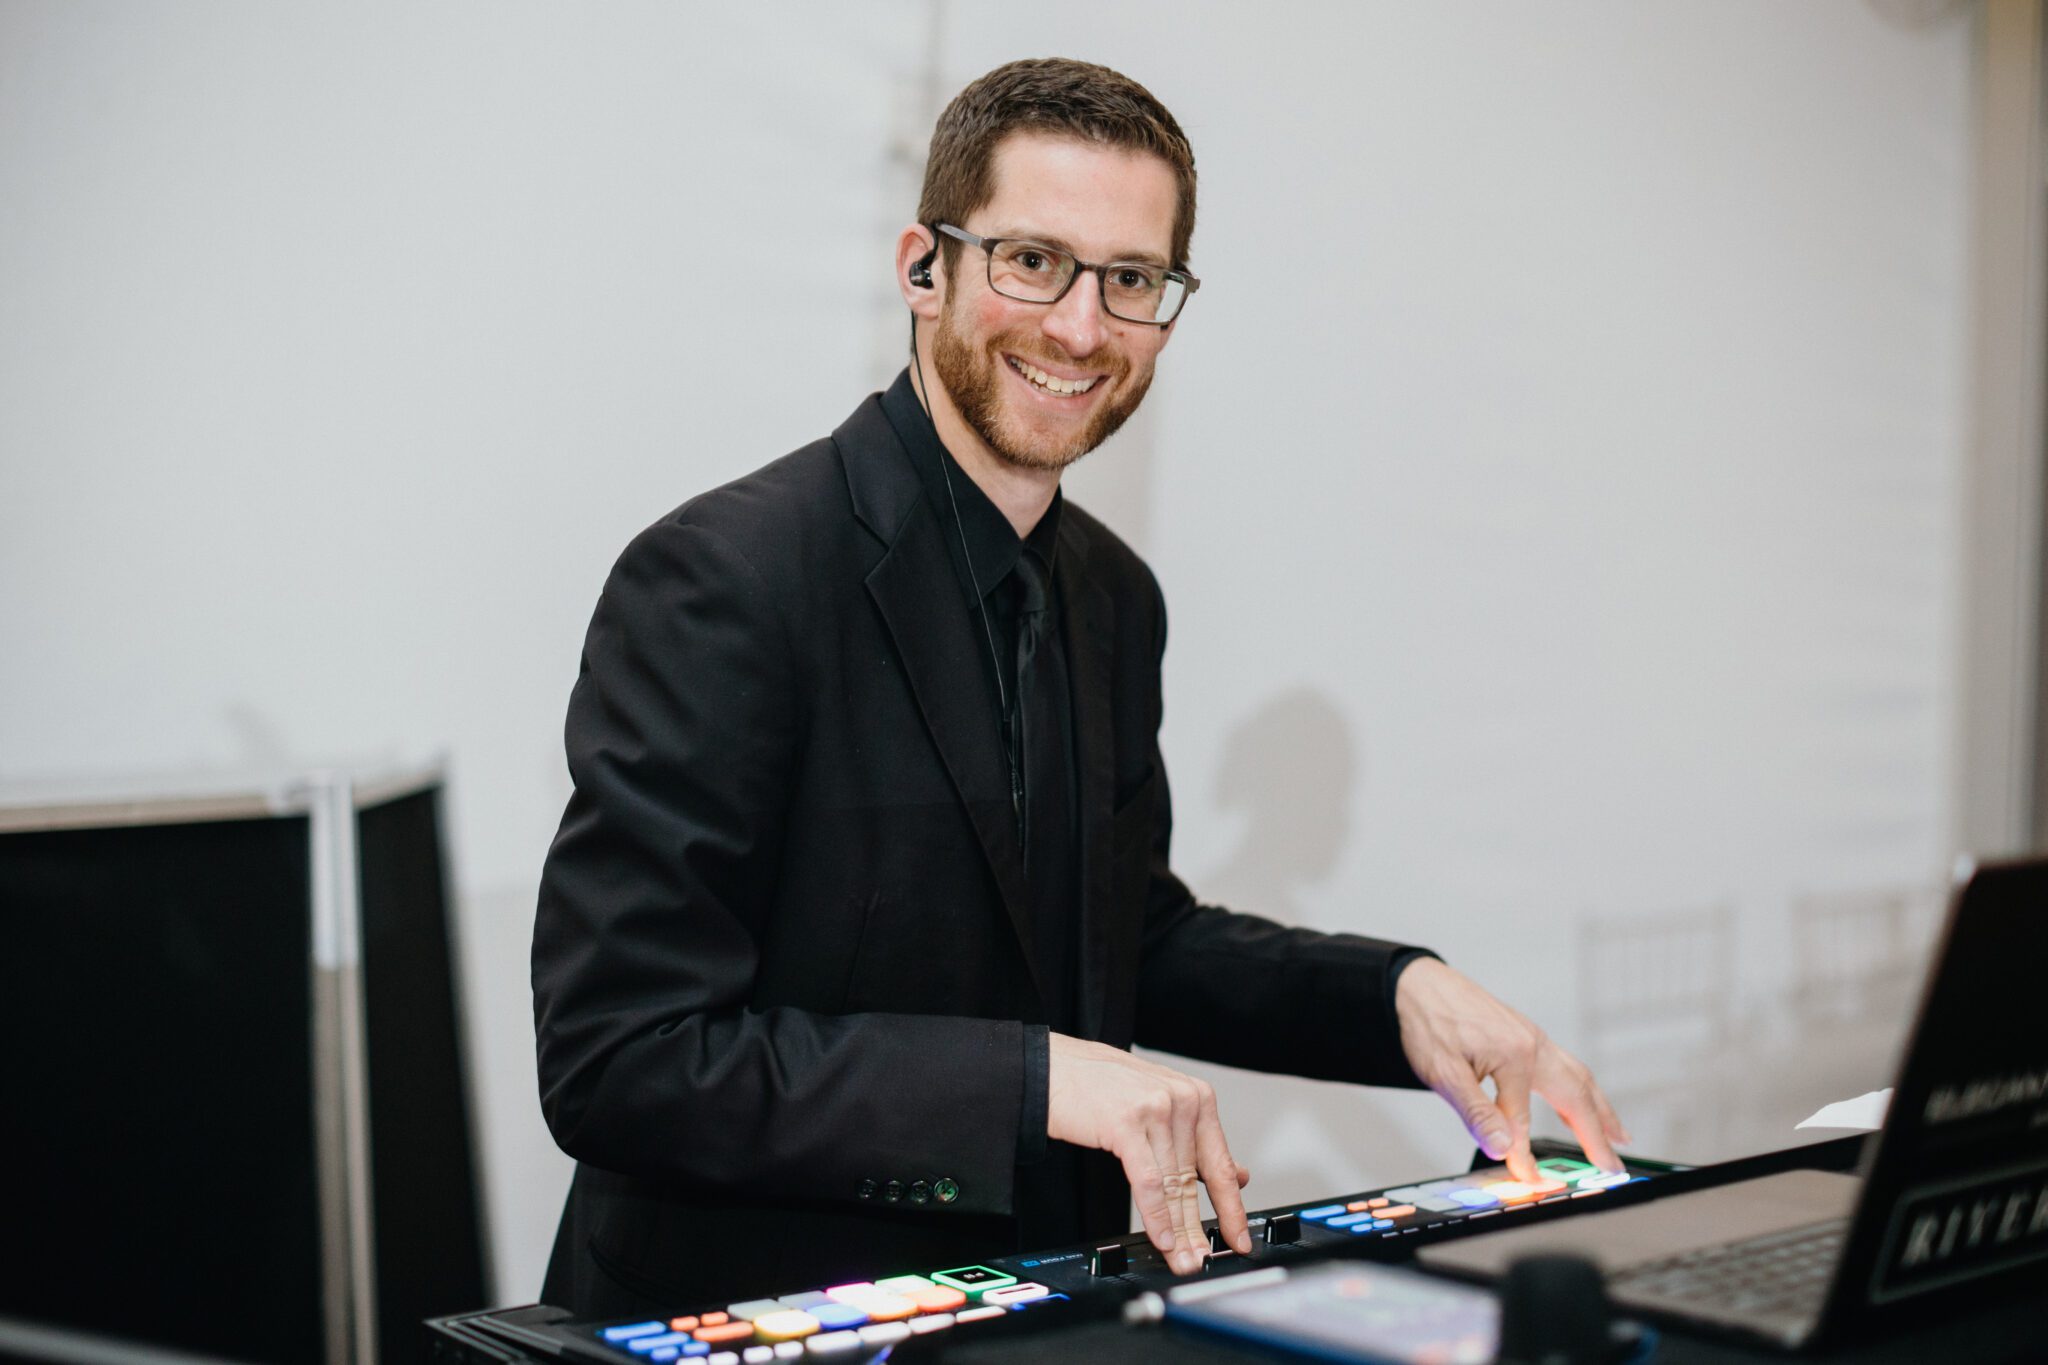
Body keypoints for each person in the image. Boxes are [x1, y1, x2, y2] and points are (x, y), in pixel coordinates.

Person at [532, 56, 1628, 1318]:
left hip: (1038, 1310)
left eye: (1131, 280)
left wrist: (1392, 994)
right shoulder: (722, 578)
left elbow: (1123, 943)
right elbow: (621, 1059)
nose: (1079, 329)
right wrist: (1036, 1083)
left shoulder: (1114, 594)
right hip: (746, 1321)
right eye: (1032, 261)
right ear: (924, 268)